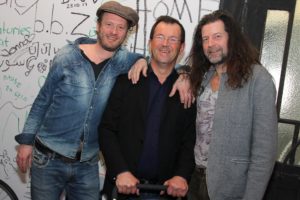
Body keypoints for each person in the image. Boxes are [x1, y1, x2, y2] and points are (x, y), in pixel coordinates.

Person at [15, 2, 146, 200]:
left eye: (121, 28)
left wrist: (182, 73)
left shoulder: (124, 61)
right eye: (109, 25)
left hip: (87, 164)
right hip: (48, 160)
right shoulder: (67, 56)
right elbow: (43, 100)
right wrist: (26, 142)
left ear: (126, 33)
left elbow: (163, 64)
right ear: (98, 26)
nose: (114, 31)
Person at [99, 16, 196, 200]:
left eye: (173, 39)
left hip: (166, 192)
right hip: (123, 190)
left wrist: (181, 175)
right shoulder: (125, 82)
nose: (165, 44)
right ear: (150, 43)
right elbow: (106, 130)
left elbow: (189, 140)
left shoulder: (187, 91)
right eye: (160, 37)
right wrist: (120, 171)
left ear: (182, 48)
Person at [186, 10, 278, 200]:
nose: (210, 44)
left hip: (232, 188)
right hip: (195, 181)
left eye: (217, 36)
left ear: (232, 38)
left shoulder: (258, 79)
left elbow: (264, 151)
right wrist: (182, 73)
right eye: (205, 39)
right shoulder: (203, 76)